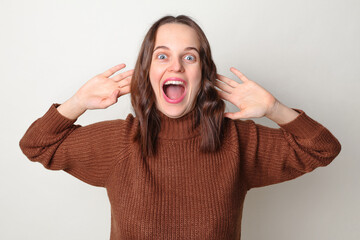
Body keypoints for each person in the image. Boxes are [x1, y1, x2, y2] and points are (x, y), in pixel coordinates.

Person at [19, 15, 341, 240]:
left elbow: (322, 148)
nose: (175, 65)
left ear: (203, 74)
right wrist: (77, 101)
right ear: (146, 72)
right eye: (162, 56)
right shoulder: (120, 143)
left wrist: (273, 108)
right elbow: (36, 145)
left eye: (189, 58)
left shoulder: (236, 142)